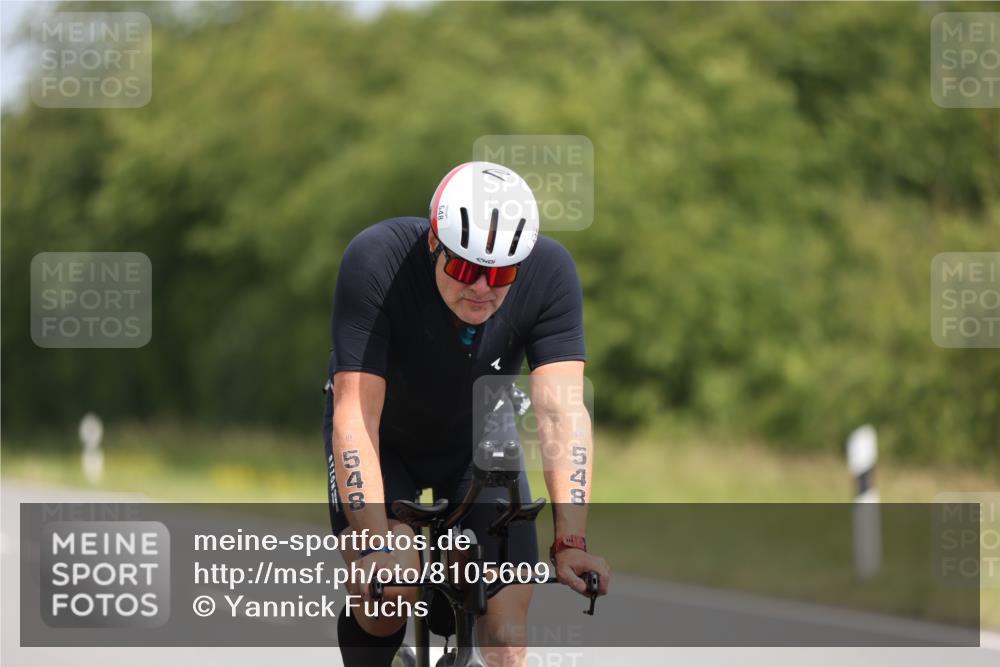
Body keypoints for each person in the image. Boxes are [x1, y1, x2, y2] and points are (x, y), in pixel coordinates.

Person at [322, 161, 610, 667]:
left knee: (506, 639)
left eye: (499, 274)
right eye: (464, 269)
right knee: (390, 594)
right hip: (383, 442)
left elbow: (561, 415)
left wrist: (571, 540)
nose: (480, 287)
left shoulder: (551, 272)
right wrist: (373, 548)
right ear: (435, 242)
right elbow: (356, 415)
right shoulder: (377, 259)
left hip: (479, 442)